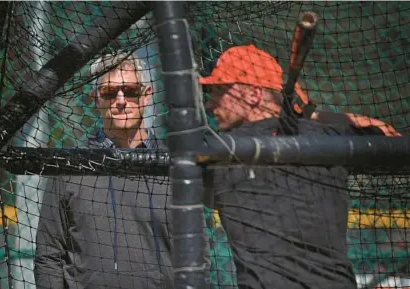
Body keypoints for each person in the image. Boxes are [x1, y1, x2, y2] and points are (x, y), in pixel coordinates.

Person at [199, 44, 401, 289]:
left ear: (253, 95)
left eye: (219, 91)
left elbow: (207, 197)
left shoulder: (221, 151)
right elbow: (390, 136)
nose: (210, 104)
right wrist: (311, 115)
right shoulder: (326, 136)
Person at [34, 51, 173, 289]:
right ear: (95, 99)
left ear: (146, 96)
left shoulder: (173, 165)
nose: (120, 100)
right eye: (109, 93)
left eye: (130, 91)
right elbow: (48, 254)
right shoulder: (71, 166)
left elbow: (197, 254)